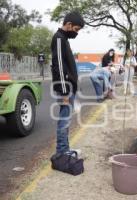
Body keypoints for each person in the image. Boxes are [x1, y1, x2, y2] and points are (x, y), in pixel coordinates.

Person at [50, 11, 85, 174]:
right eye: (76, 29)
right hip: (65, 89)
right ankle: (62, 153)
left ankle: (65, 149)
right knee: (64, 121)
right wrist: (64, 92)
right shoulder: (58, 38)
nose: (77, 33)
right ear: (69, 24)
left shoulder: (64, 39)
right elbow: (58, 66)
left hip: (69, 88)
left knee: (66, 121)